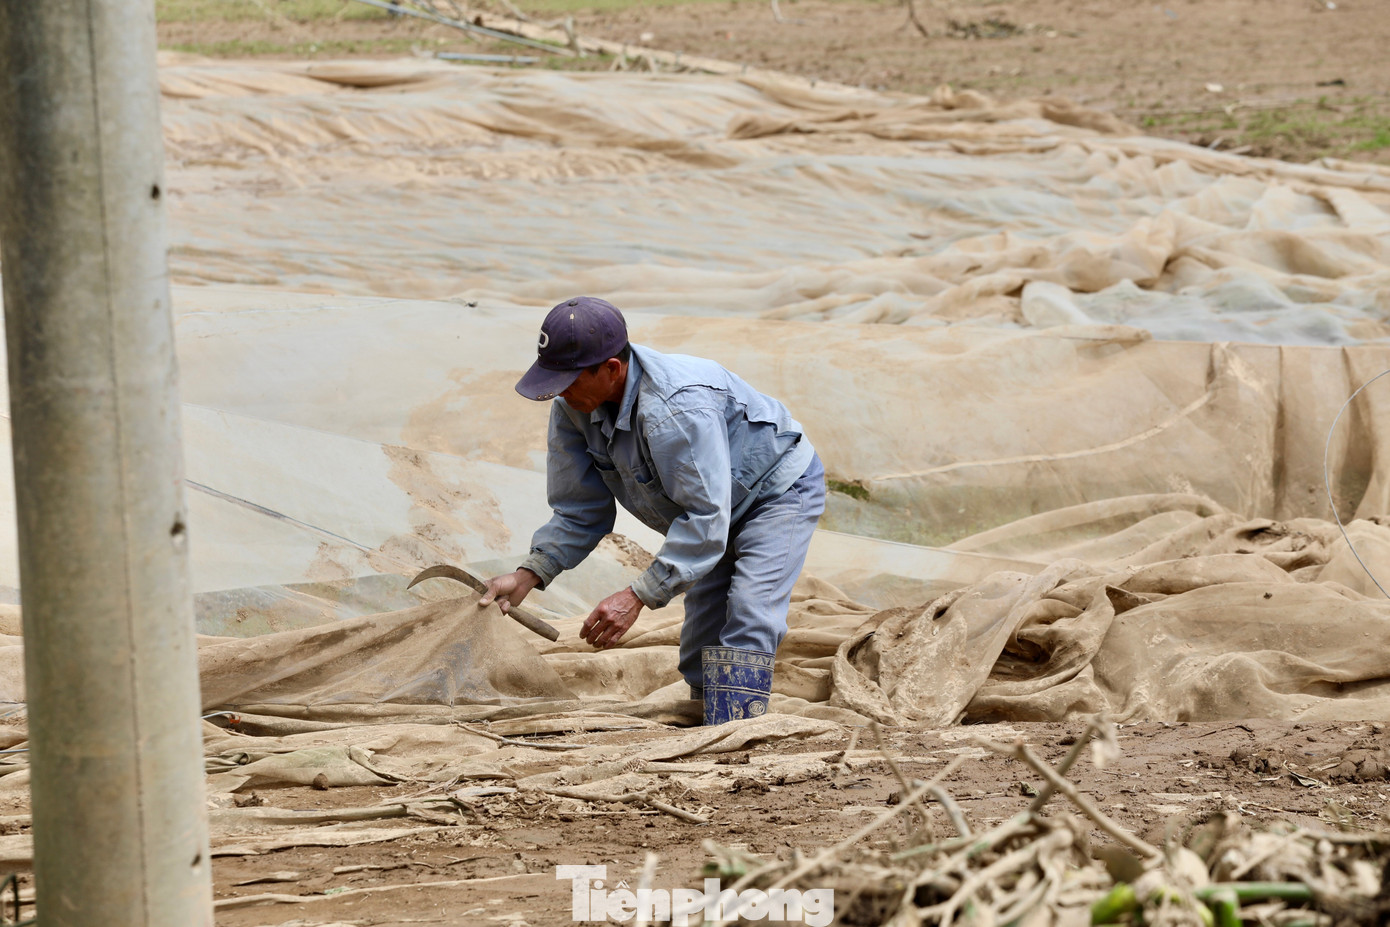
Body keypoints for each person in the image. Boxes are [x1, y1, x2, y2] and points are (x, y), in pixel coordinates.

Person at [479, 296, 825, 724]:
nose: (560, 392)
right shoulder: (574, 407)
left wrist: (636, 595)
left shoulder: (676, 410)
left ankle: (736, 739)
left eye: (569, 381)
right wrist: (530, 573)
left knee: (750, 610)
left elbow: (704, 518)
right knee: (701, 639)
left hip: (775, 492)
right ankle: (712, 717)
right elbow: (579, 510)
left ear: (611, 369)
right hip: (711, 506)